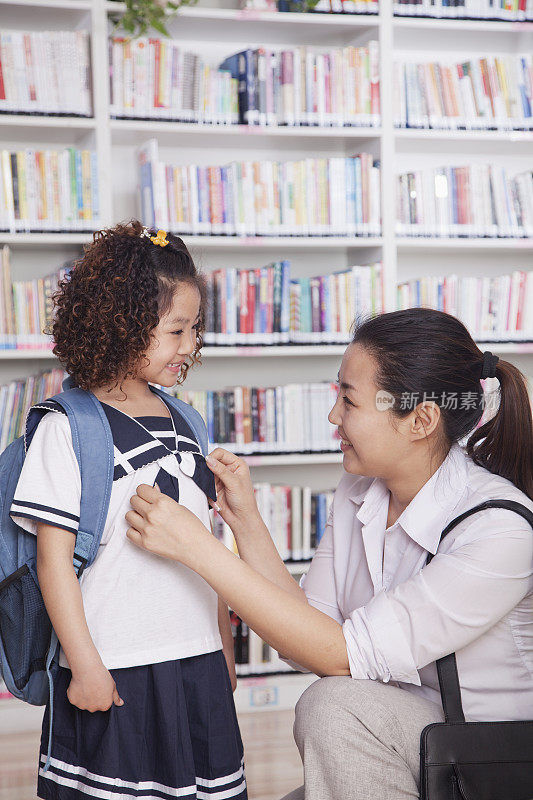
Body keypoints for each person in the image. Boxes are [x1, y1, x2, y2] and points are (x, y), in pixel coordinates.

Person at [125, 307, 533, 800]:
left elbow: (339, 656)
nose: (333, 415)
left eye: (350, 400)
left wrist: (198, 548)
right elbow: (305, 635)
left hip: (487, 759)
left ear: (421, 419)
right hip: (407, 734)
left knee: (333, 707)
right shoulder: (360, 490)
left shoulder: (499, 530)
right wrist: (246, 522)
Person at [10, 220, 247, 800]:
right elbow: (53, 564)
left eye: (194, 330)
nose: (190, 346)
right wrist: (85, 664)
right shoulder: (67, 429)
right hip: (113, 668)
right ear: (120, 326)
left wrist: (220, 644)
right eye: (175, 331)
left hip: (195, 663)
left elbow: (206, 552)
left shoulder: (189, 422)